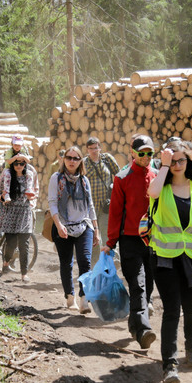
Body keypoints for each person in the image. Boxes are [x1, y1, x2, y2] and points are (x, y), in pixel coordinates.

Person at [147, 142, 192, 383]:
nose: (177, 165)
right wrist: (164, 165)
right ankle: (169, 365)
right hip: (165, 258)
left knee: (191, 308)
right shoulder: (161, 185)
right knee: (171, 309)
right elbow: (153, 192)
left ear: (189, 162)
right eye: (173, 161)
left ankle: (191, 352)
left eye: (181, 161)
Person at [102, 135, 157, 350]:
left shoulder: (157, 176)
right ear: (132, 153)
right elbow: (115, 212)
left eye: (149, 153)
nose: (145, 157)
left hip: (153, 241)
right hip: (130, 240)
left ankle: (134, 325)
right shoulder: (122, 177)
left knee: (149, 285)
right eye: (141, 153)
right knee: (138, 284)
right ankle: (143, 329)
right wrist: (111, 241)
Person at [48, 146, 100, 314]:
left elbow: (90, 205)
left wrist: (96, 229)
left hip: (84, 225)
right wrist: (58, 225)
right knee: (66, 263)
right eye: (69, 157)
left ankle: (84, 299)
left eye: (75, 158)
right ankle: (70, 296)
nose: (71, 161)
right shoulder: (56, 178)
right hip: (62, 225)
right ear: (64, 160)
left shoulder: (84, 180)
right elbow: (53, 202)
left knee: (85, 261)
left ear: (80, 161)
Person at [0, 157, 37, 281]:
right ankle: (6, 262)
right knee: (11, 243)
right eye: (16, 164)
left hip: (25, 211)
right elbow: (0, 193)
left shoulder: (29, 176)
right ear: (13, 165)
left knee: (24, 244)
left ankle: (24, 273)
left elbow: (34, 192)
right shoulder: (8, 176)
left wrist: (32, 199)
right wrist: (3, 197)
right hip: (11, 211)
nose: (19, 166)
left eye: (21, 163)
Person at [83, 136, 120, 264]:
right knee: (93, 236)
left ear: (100, 147)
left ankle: (111, 260)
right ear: (87, 149)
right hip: (89, 206)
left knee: (107, 233)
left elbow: (119, 175)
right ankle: (94, 264)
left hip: (106, 204)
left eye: (96, 148)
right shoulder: (84, 163)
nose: (94, 151)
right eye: (91, 148)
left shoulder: (107, 159)